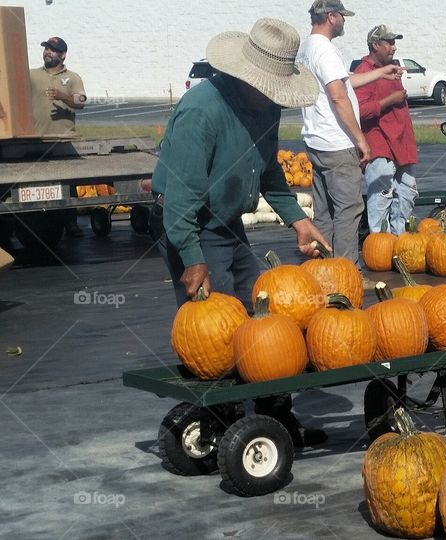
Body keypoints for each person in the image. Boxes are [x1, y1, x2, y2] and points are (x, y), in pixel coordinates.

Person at [151, 18, 331, 447]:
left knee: (268, 316)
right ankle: (226, 430)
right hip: (191, 226)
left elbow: (269, 172)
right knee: (221, 335)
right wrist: (192, 258)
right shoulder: (203, 111)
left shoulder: (265, 108)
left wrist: (300, 221)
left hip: (228, 226)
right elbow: (180, 195)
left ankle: (275, 417)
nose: (275, 97)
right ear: (246, 75)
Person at [298, 0, 404, 265]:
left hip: (317, 139)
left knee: (324, 210)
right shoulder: (325, 50)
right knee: (349, 208)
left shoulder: (308, 48)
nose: (345, 21)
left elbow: (344, 82)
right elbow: (338, 97)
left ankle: (322, 268)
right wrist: (360, 139)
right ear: (332, 16)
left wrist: (381, 73)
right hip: (336, 142)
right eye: (342, 16)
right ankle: (346, 272)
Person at [354, 25, 419, 235]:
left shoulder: (392, 68)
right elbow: (360, 110)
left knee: (407, 192)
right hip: (378, 141)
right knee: (381, 195)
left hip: (401, 141)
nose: (394, 47)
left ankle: (400, 240)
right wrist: (391, 100)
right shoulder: (364, 72)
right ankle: (380, 242)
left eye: (394, 42)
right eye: (389, 43)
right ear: (375, 45)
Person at [29, 37, 87, 237]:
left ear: (63, 55)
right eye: (46, 48)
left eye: (53, 50)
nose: (47, 52)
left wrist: (63, 96)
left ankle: (71, 223)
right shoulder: (32, 75)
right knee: (35, 181)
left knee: (67, 183)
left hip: (63, 140)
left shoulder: (72, 77)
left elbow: (81, 101)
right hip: (34, 138)